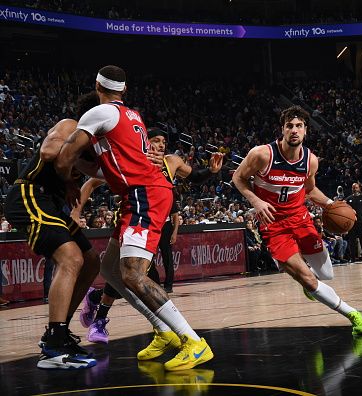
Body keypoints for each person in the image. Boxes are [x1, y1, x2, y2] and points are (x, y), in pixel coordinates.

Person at [54, 65, 217, 371]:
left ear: (97, 85)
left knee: (132, 274)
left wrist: (66, 180)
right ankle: (163, 330)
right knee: (110, 269)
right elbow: (108, 170)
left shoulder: (97, 113)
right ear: (124, 89)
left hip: (145, 195)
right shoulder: (132, 116)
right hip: (141, 193)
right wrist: (85, 170)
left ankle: (193, 341)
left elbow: (64, 156)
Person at [74, 128, 224, 344]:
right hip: (135, 221)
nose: (161, 145)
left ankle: (102, 304)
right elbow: (91, 182)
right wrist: (76, 212)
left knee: (121, 274)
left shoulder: (172, 161)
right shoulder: (132, 161)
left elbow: (196, 177)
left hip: (155, 225)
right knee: (136, 278)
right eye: (155, 140)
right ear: (144, 142)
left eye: (163, 141)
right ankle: (171, 334)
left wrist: (211, 170)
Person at [232, 105, 362, 336]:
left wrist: (332, 206)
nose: (294, 130)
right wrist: (255, 201)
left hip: (301, 218)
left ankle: (307, 281)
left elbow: (310, 191)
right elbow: (238, 178)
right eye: (289, 126)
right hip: (273, 225)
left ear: (306, 130)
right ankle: (353, 314)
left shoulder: (310, 161)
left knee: (326, 274)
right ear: (282, 130)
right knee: (307, 278)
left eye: (299, 126)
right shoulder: (262, 155)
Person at [3, 92, 102, 369]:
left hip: (52, 202)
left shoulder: (95, 144)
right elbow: (48, 152)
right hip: (30, 193)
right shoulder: (71, 125)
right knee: (71, 258)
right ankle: (54, 346)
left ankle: (57, 332)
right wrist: (68, 171)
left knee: (91, 260)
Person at [345, 182, 362, 262]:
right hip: (352, 223)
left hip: (361, 223)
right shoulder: (348, 199)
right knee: (352, 241)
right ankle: (352, 258)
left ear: (359, 188)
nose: (355, 189)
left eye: (356, 187)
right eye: (353, 188)